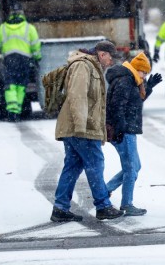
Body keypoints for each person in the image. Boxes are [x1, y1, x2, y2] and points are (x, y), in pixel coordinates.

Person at [51, 40, 125, 222]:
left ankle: (60, 208)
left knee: (73, 166)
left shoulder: (91, 67)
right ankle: (103, 206)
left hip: (79, 127)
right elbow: (78, 97)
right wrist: (80, 126)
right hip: (81, 129)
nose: (111, 62)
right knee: (95, 164)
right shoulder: (84, 67)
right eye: (110, 58)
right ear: (102, 54)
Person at [105, 52, 162, 216]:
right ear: (137, 69)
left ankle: (106, 190)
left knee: (135, 166)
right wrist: (121, 128)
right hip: (124, 131)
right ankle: (127, 204)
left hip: (127, 129)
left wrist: (148, 87)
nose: (144, 76)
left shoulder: (130, 80)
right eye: (144, 72)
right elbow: (117, 106)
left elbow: (134, 102)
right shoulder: (125, 81)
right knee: (131, 168)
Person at [0, 3, 41, 122]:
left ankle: (12, 112)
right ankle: (18, 111)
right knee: (21, 86)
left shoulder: (3, 28)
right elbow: (35, 45)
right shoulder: (29, 28)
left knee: (10, 85)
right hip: (24, 60)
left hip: (9, 60)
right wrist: (37, 57)